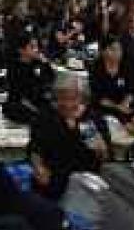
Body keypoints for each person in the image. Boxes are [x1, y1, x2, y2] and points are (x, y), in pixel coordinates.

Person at [27, 72, 107, 200]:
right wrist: (39, 167)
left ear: (82, 98)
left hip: (85, 182)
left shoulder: (92, 118)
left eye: (73, 99)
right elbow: (35, 148)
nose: (67, 104)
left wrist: (102, 149)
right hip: (52, 179)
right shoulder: (45, 116)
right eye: (62, 98)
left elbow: (104, 158)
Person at [89, 35, 134, 130]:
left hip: (126, 107)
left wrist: (126, 103)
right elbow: (98, 97)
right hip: (104, 109)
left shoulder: (127, 66)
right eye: (113, 49)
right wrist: (117, 107)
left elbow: (132, 89)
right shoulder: (96, 69)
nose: (117, 53)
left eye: (119, 49)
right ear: (102, 51)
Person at [4, 32, 54, 124]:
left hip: (37, 100)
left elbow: (50, 79)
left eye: (37, 46)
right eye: (32, 47)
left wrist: (46, 63)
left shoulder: (36, 63)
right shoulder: (15, 68)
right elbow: (21, 95)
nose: (36, 50)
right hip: (21, 104)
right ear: (21, 50)